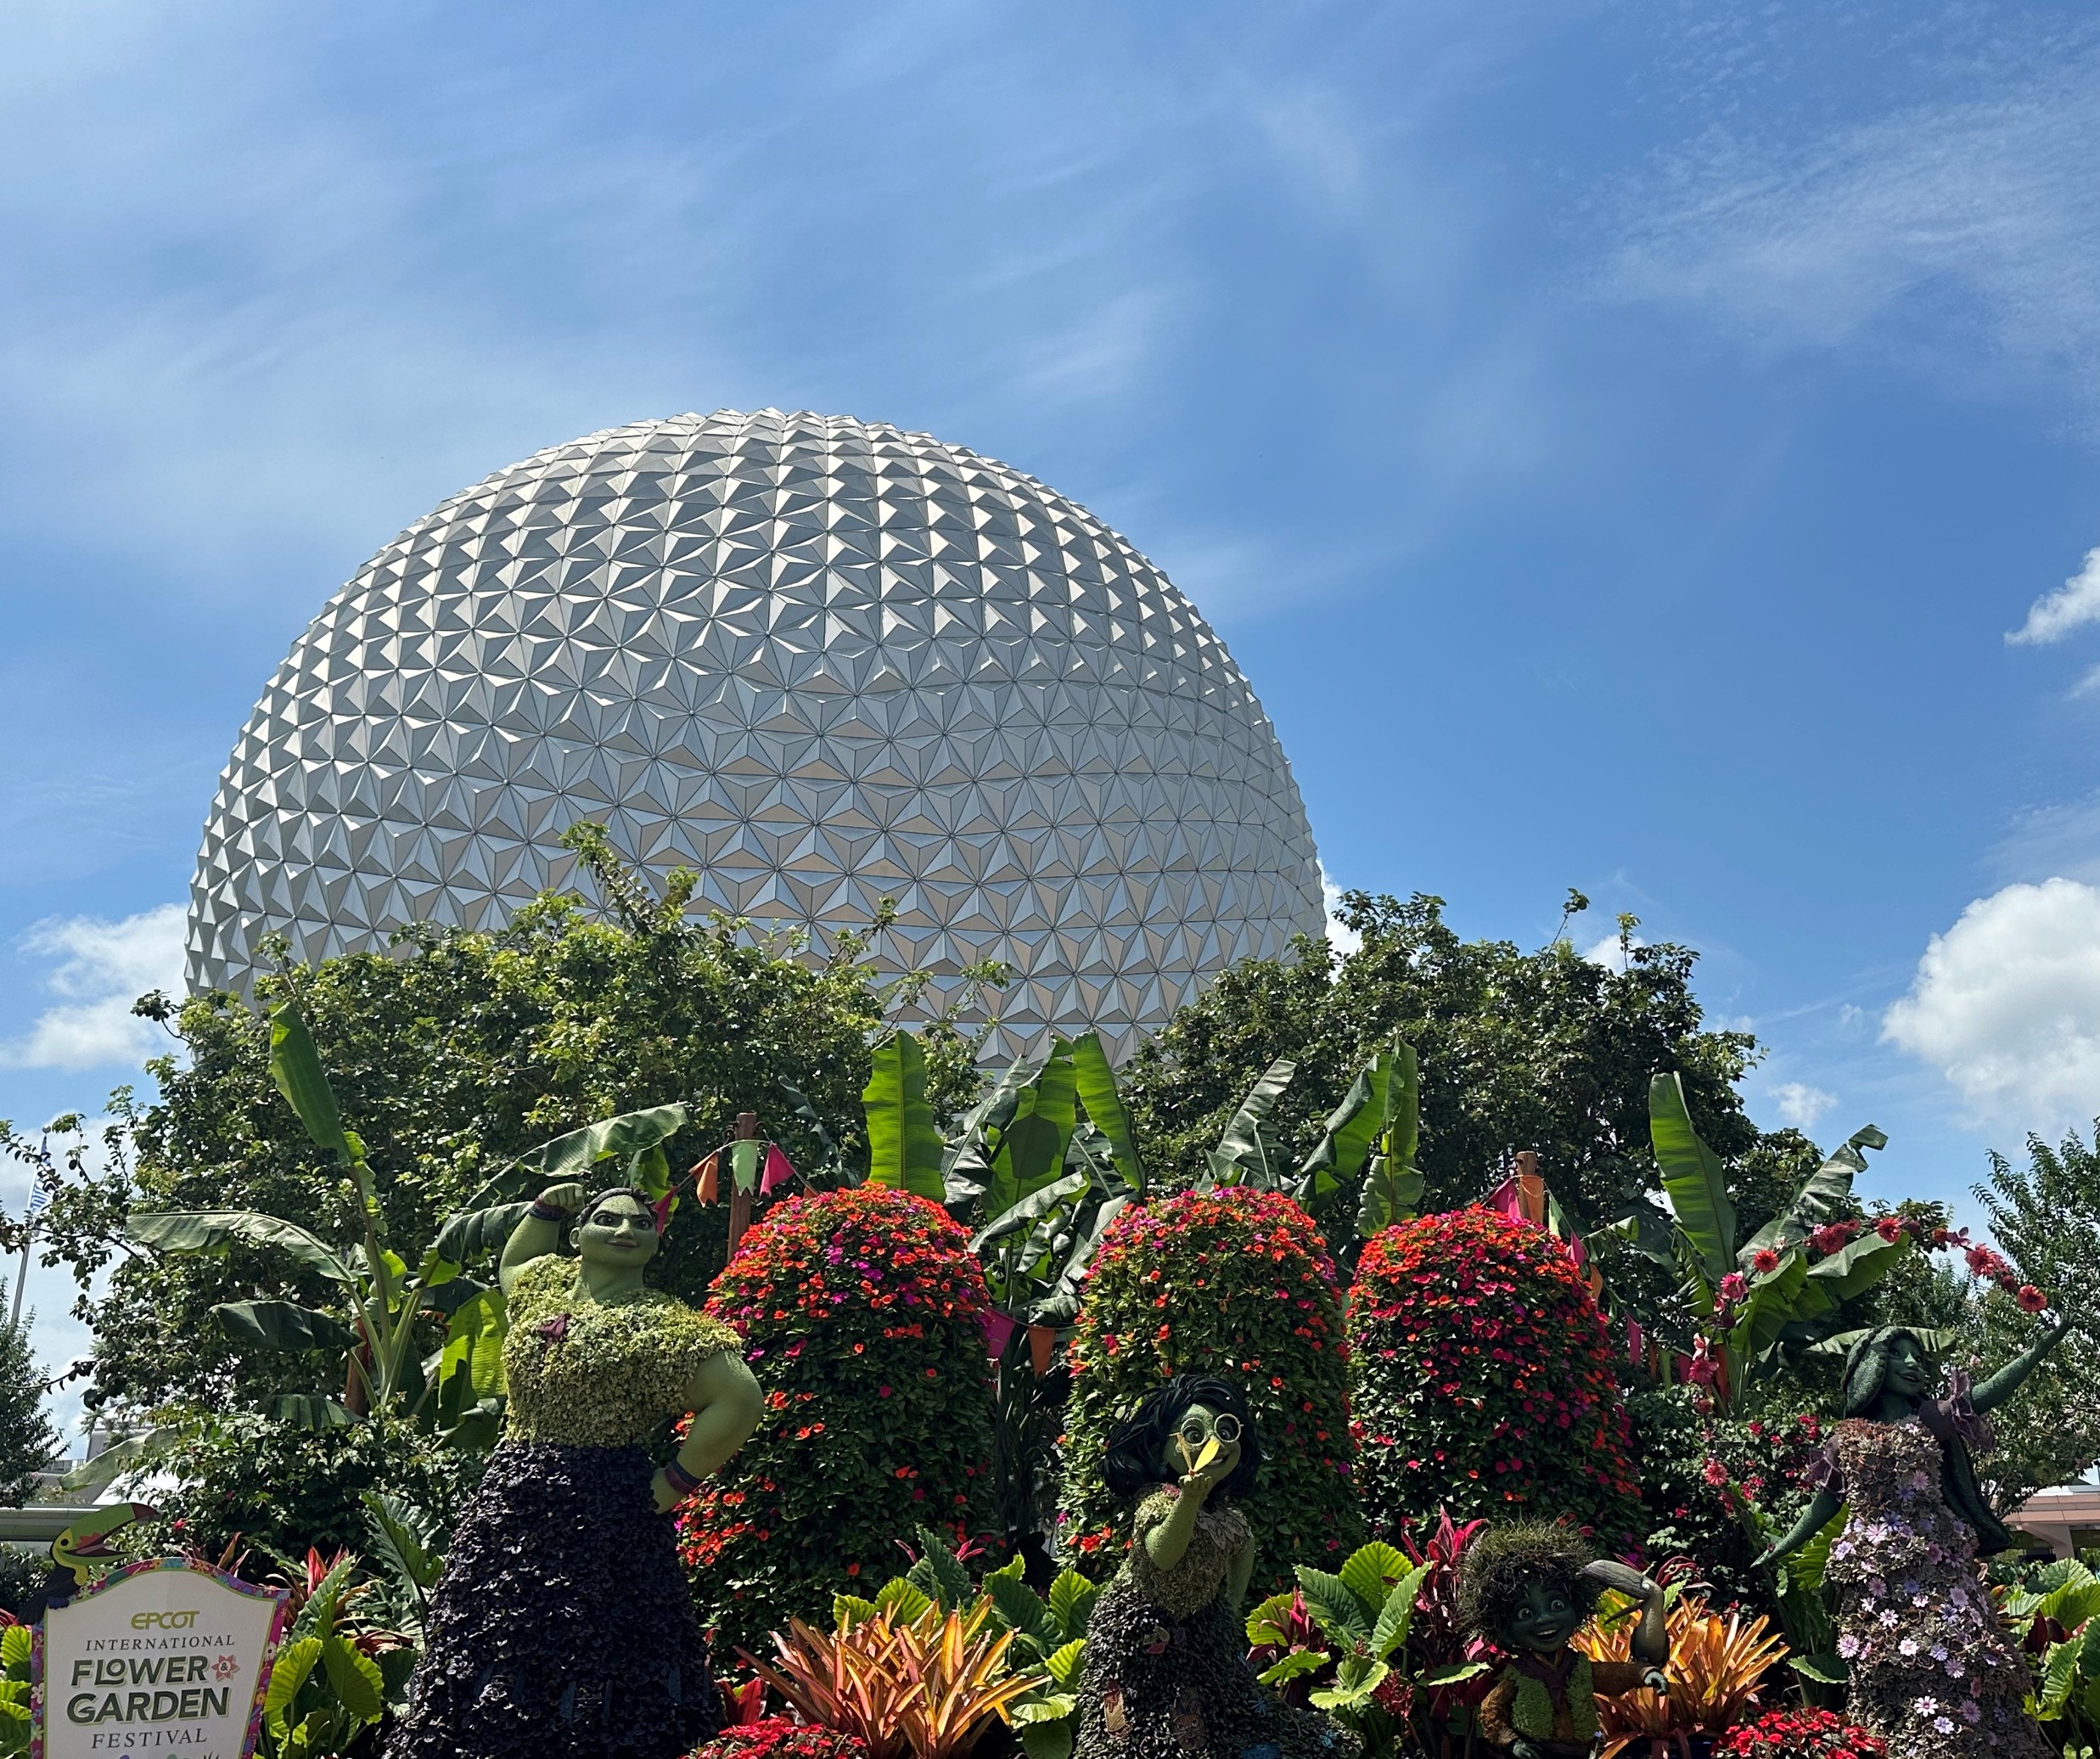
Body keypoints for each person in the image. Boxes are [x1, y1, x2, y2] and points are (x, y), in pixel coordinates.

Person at [389, 1182, 763, 1759]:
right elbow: (514, 1261)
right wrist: (541, 1209)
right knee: (496, 1631)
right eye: (609, 1220)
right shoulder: (545, 1287)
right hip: (511, 1500)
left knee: (595, 1643)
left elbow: (739, 1398)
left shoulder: (665, 1324)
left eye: (642, 1224)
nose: (625, 1230)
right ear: (579, 1236)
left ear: (655, 1243)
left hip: (603, 1504)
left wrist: (674, 1483)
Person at [1756, 1319, 2072, 1756]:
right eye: (1898, 1355)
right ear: (1871, 1367)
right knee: (1886, 1661)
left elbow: (1988, 1394)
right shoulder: (1844, 1439)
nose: (1912, 1365)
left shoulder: (1930, 1419)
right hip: (1872, 1571)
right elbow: (1824, 1504)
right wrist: (1784, 1545)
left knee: (1956, 1654)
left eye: (1919, 1358)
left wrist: (2040, 1346)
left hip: (1935, 1560)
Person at [1075, 1373, 1352, 1759]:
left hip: (1202, 1625)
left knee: (1217, 1710)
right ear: (1163, 1448)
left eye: (1225, 1429)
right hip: (1141, 1627)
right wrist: (1187, 1501)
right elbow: (1162, 1554)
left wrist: (1230, 1605)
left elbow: (1244, 1548)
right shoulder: (1158, 1500)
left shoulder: (1226, 1515)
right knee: (1138, 1725)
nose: (1214, 1443)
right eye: (1193, 1432)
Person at [1456, 1523, 1667, 1759]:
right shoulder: (1518, 1674)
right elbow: (1491, 1710)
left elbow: (1609, 1675)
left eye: (1557, 1605)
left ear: (1576, 1611)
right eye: (1525, 1613)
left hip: (1580, 1751)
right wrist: (1513, 1743)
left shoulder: (1577, 1666)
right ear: (1505, 1630)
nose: (1545, 1619)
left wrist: (1643, 1673)